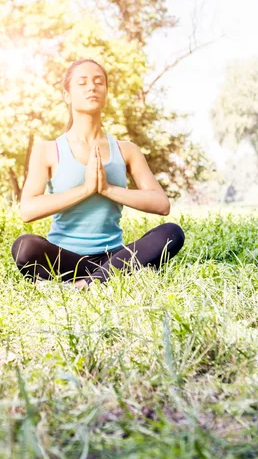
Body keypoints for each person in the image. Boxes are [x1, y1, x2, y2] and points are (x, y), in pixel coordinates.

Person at [11, 58, 185, 290]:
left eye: (98, 82)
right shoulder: (47, 150)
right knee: (24, 246)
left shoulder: (127, 150)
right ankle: (102, 281)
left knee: (172, 233)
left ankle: (85, 285)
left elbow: (161, 204)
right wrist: (85, 189)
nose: (92, 87)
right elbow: (28, 210)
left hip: (113, 257)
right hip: (65, 259)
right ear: (67, 95)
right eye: (82, 83)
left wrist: (107, 189)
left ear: (105, 92)